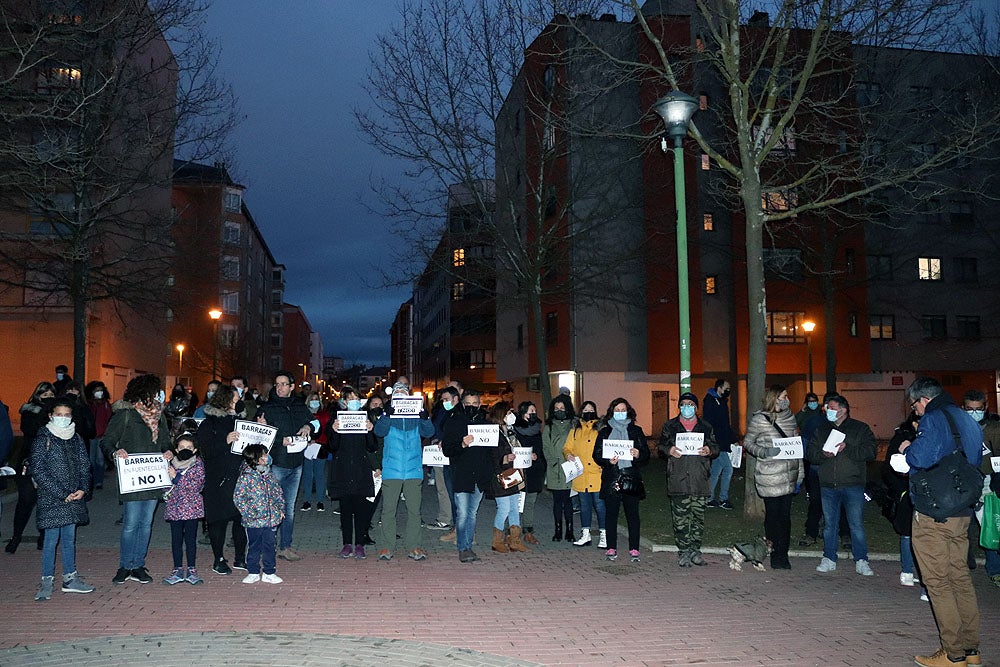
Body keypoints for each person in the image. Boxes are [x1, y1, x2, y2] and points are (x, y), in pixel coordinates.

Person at [899, 377, 982, 667]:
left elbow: (921, 458)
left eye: (915, 405)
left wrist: (908, 448)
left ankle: (953, 653)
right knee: (960, 577)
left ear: (923, 399)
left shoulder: (933, 419)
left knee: (938, 582)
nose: (915, 411)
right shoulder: (965, 418)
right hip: (961, 511)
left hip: (934, 513)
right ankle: (971, 650)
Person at [102, 374, 171, 584]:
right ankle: (125, 565)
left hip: (152, 478)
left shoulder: (160, 416)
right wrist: (116, 452)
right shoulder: (126, 414)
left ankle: (138, 564)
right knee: (131, 523)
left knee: (146, 523)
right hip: (132, 478)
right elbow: (107, 442)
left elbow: (166, 442)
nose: (158, 395)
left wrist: (168, 452)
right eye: (155, 391)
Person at [30, 398, 94, 601]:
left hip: (74, 496)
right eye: (59, 414)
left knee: (69, 539)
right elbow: (38, 469)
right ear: (51, 415)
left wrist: (83, 488)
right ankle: (47, 580)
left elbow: (85, 465)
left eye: (67, 415)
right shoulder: (43, 438)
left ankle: (70, 578)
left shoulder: (76, 438)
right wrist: (60, 492)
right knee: (50, 540)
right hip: (52, 498)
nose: (63, 419)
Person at [807, 394, 877, 576]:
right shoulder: (821, 430)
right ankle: (829, 558)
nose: (826, 410)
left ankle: (861, 559)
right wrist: (823, 454)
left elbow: (871, 452)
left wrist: (849, 448)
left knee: (856, 524)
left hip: (853, 484)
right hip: (828, 485)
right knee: (830, 525)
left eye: (830, 407)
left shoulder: (860, 428)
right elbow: (810, 454)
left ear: (843, 410)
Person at [742, 384, 804, 570]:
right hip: (769, 476)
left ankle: (782, 555)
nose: (786, 400)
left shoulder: (790, 417)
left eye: (786, 396)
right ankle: (773, 551)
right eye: (783, 396)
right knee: (773, 517)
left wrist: (800, 473)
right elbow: (748, 442)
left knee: (785, 518)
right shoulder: (760, 419)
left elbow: (796, 447)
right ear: (773, 398)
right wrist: (765, 451)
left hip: (788, 476)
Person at [372, 382, 434, 561]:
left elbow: (429, 432)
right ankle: (386, 546)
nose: (400, 395)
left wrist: (425, 417)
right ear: (392, 397)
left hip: (413, 470)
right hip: (392, 470)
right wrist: (386, 415)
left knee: (415, 511)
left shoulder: (416, 414)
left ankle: (413, 546)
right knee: (388, 511)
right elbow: (379, 431)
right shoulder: (388, 413)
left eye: (403, 392)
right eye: (397, 392)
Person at [259, 370, 315, 562]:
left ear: (292, 387)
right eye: (277, 384)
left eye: (284, 384)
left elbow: (315, 422)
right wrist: (278, 442)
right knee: (271, 506)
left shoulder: (299, 405)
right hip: (276, 463)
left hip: (296, 464)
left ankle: (286, 546)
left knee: (289, 509)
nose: (280, 387)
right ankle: (268, 546)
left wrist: (309, 427)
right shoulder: (267, 408)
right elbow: (259, 437)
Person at [658, 392, 719, 567]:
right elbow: (661, 445)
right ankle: (683, 552)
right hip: (678, 479)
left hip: (700, 479)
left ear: (696, 407)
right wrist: (669, 450)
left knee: (698, 518)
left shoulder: (706, 426)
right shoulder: (670, 426)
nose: (687, 407)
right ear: (679, 407)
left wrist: (709, 450)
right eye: (683, 404)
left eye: (690, 404)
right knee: (680, 519)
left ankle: (695, 551)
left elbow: (716, 446)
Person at [195, 386, 247, 575]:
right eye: (234, 400)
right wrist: (225, 440)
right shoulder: (210, 424)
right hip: (218, 479)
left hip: (239, 477)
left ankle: (240, 558)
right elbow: (205, 450)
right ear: (225, 401)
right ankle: (218, 559)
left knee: (241, 519)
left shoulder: (241, 421)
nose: (237, 403)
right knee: (218, 521)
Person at [593, 397, 650, 562]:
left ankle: (634, 549)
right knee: (611, 515)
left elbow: (645, 453)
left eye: (622, 410)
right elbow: (596, 454)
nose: (620, 413)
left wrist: (638, 454)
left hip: (631, 477)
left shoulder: (636, 431)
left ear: (628, 411)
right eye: (616, 410)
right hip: (612, 477)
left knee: (632, 515)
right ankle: (611, 548)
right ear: (612, 412)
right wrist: (607, 461)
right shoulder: (604, 432)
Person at [442, 390, 494, 563]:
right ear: (462, 405)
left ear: (480, 405)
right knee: (462, 513)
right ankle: (463, 548)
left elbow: (491, 452)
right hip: (461, 475)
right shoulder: (454, 422)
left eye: (475, 404)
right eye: (468, 404)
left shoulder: (485, 424)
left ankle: (468, 546)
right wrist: (462, 444)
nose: (472, 407)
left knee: (472, 513)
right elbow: (448, 450)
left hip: (479, 477)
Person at [6, 382, 55, 554]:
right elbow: (31, 430)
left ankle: (43, 536)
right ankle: (16, 536)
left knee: (45, 500)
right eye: (44, 394)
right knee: (26, 500)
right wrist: (44, 412)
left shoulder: (58, 413)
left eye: (51, 394)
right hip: (29, 460)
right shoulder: (29, 411)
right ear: (37, 394)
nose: (48, 397)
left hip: (49, 461)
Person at [326, 399, 377, 559]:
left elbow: (372, 446)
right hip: (343, 470)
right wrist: (334, 430)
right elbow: (332, 446)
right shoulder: (337, 419)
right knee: (346, 510)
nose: (352, 403)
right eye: (349, 400)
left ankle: (360, 544)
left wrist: (370, 430)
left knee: (362, 510)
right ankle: (347, 544)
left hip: (361, 470)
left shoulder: (366, 418)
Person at [882, 413, 925, 594]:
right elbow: (891, 465)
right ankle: (907, 570)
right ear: (915, 423)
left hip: (926, 493)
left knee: (925, 535)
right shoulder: (902, 438)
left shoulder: (931, 438)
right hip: (907, 492)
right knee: (907, 532)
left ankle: (924, 579)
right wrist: (901, 490)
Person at [962, 388, 1000, 587]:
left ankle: (995, 569)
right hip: (963, 483)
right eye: (970, 409)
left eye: (978, 409)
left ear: (985, 408)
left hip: (987, 482)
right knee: (961, 528)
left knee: (990, 527)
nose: (974, 412)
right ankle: (964, 566)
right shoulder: (959, 428)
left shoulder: (994, 428)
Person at [233, 444, 285, 584]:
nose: (266, 457)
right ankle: (253, 571)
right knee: (254, 545)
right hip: (253, 521)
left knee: (270, 545)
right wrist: (249, 513)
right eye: (263, 455)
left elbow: (278, 493)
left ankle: (269, 571)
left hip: (270, 519)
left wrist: (280, 510)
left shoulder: (269, 475)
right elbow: (239, 498)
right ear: (255, 458)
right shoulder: (246, 477)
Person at [486, 403, 530, 553]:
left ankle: (514, 540)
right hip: (500, 476)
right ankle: (497, 540)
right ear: (501, 414)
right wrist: (504, 458)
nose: (512, 415)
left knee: (514, 509)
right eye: (509, 412)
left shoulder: (510, 432)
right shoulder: (494, 433)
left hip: (513, 475)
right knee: (504, 508)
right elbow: (491, 455)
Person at [162, 433, 205, 585]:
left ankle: (192, 569)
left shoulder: (198, 464)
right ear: (176, 449)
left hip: (191, 509)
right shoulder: (170, 464)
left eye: (189, 447)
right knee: (176, 540)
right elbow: (164, 485)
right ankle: (177, 569)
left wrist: (177, 478)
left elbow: (196, 486)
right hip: (174, 509)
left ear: (194, 450)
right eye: (181, 447)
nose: (185, 449)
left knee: (190, 540)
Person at [564, 401, 605, 547]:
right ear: (581, 412)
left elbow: (605, 447)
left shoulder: (600, 428)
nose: (588, 412)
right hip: (581, 474)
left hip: (596, 473)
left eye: (591, 409)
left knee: (600, 505)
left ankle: (603, 534)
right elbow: (568, 447)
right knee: (584, 506)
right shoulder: (575, 429)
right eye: (585, 409)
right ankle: (585, 533)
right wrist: (568, 454)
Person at [542, 395, 575, 542]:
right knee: (557, 501)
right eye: (556, 409)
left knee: (568, 501)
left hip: (570, 467)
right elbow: (546, 447)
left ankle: (569, 530)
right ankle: (557, 530)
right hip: (554, 468)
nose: (559, 411)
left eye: (562, 408)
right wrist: (552, 462)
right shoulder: (549, 427)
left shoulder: (574, 425)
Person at [512, 400, 544, 544]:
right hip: (518, 471)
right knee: (517, 502)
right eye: (530, 411)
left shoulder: (538, 430)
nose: (533, 413)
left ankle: (528, 532)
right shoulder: (514, 429)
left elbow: (541, 449)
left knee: (530, 502)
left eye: (534, 411)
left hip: (534, 471)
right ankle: (513, 531)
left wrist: (536, 456)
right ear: (523, 413)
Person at [703, 379, 735, 509]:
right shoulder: (711, 402)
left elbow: (725, 424)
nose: (728, 390)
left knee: (716, 470)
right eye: (727, 388)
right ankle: (723, 499)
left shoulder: (720, 401)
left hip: (721, 440)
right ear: (719, 388)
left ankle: (709, 498)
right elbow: (713, 423)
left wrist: (732, 438)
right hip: (717, 442)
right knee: (728, 469)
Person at [300, 390, 331, 512]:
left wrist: (317, 440)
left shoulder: (325, 415)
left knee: (320, 475)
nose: (314, 401)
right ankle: (307, 500)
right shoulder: (303, 414)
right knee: (307, 475)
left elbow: (325, 430)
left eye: (316, 399)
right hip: (306, 447)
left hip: (320, 447)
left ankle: (320, 501)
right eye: (312, 399)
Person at [84, 381, 112, 490]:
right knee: (91, 459)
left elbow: (108, 418)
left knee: (100, 460)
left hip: (102, 435)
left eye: (100, 390)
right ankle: (90, 481)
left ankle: (98, 482)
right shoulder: (89, 404)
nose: (99, 392)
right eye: (96, 390)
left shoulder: (105, 404)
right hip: (91, 435)